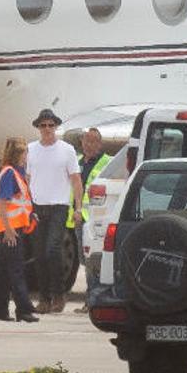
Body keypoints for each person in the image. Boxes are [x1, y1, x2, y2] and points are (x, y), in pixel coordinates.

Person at [27, 109, 83, 314]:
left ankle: (58, 294)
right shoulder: (31, 149)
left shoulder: (67, 150)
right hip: (37, 207)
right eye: (43, 126)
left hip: (59, 206)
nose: (47, 129)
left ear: (56, 127)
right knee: (39, 254)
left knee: (52, 250)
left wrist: (78, 208)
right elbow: (26, 179)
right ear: (38, 128)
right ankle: (44, 299)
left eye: (51, 125)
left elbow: (76, 181)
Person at [0, 137, 39, 323]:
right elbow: (2, 203)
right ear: (19, 154)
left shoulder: (17, 173)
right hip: (9, 231)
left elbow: (19, 202)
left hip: (12, 228)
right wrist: (9, 230)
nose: (27, 155)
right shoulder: (9, 173)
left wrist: (30, 215)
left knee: (3, 271)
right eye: (25, 152)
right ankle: (24, 309)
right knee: (16, 269)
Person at [67, 128, 112, 314]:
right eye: (86, 141)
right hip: (78, 219)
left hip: (96, 219)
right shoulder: (76, 162)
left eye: (93, 142)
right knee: (85, 261)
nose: (88, 145)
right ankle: (92, 298)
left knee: (93, 261)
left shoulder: (107, 163)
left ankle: (93, 300)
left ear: (100, 144)